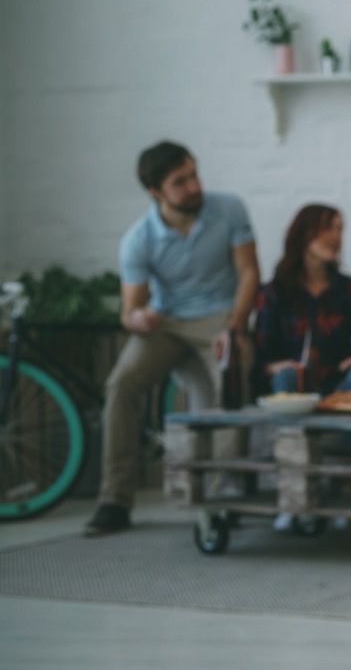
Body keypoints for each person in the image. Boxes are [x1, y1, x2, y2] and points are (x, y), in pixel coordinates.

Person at [85, 141, 260, 537]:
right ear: (155, 192)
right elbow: (129, 311)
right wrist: (138, 319)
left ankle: (224, 493)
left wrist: (235, 327)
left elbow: (249, 273)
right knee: (121, 384)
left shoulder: (229, 210)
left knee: (231, 376)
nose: (193, 186)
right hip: (168, 322)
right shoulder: (138, 239)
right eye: (180, 182)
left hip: (220, 317)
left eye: (194, 174)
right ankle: (115, 499)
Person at [254, 203, 351, 397]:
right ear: (304, 234)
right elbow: (261, 355)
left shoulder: (350, 289)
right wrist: (275, 367)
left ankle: (334, 415)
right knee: (287, 376)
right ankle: (293, 427)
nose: (336, 237)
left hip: (337, 382)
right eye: (328, 228)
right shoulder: (274, 292)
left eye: (340, 229)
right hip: (292, 379)